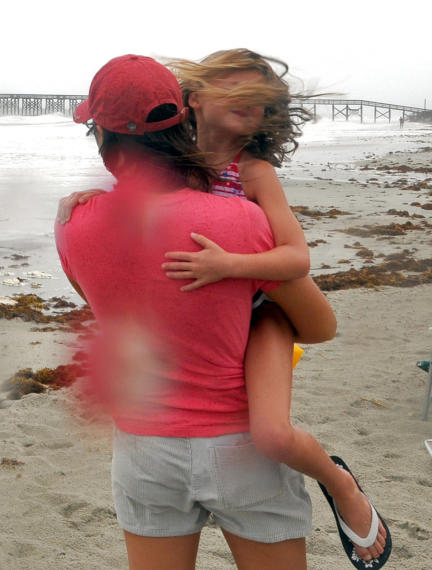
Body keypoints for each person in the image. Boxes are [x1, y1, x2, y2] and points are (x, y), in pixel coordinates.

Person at [57, 50, 391, 567]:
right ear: (184, 113)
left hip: (146, 447)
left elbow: (109, 310)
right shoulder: (237, 217)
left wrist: (228, 269)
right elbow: (322, 325)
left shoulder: (73, 225)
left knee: (272, 430)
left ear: (101, 137)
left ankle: (340, 481)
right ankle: (339, 481)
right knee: (271, 421)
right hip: (241, 443)